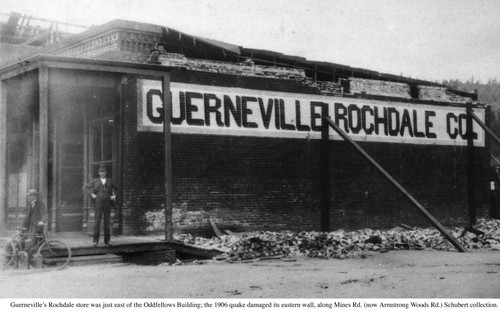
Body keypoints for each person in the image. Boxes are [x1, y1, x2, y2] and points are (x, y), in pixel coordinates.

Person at [83, 165, 118, 247]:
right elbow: (85, 188)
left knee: (107, 222)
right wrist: (92, 194)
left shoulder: (110, 181)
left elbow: (118, 188)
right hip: (98, 201)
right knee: (97, 221)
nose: (102, 173)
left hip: (107, 202)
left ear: (106, 173)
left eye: (104, 172)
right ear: (99, 173)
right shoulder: (95, 181)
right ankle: (95, 241)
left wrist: (114, 195)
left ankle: (107, 240)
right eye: (101, 172)